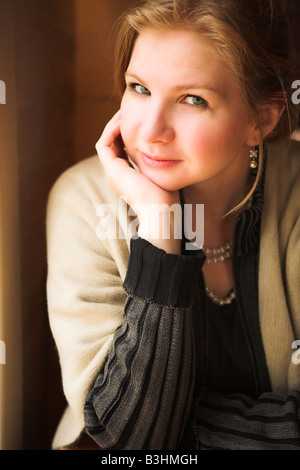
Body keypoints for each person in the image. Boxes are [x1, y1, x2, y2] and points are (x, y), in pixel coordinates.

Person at [46, 0, 300, 450]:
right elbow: (125, 442)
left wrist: (177, 432)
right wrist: (161, 230)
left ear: (262, 119)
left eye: (192, 99)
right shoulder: (84, 200)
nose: (150, 130)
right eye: (139, 88)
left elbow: (147, 438)